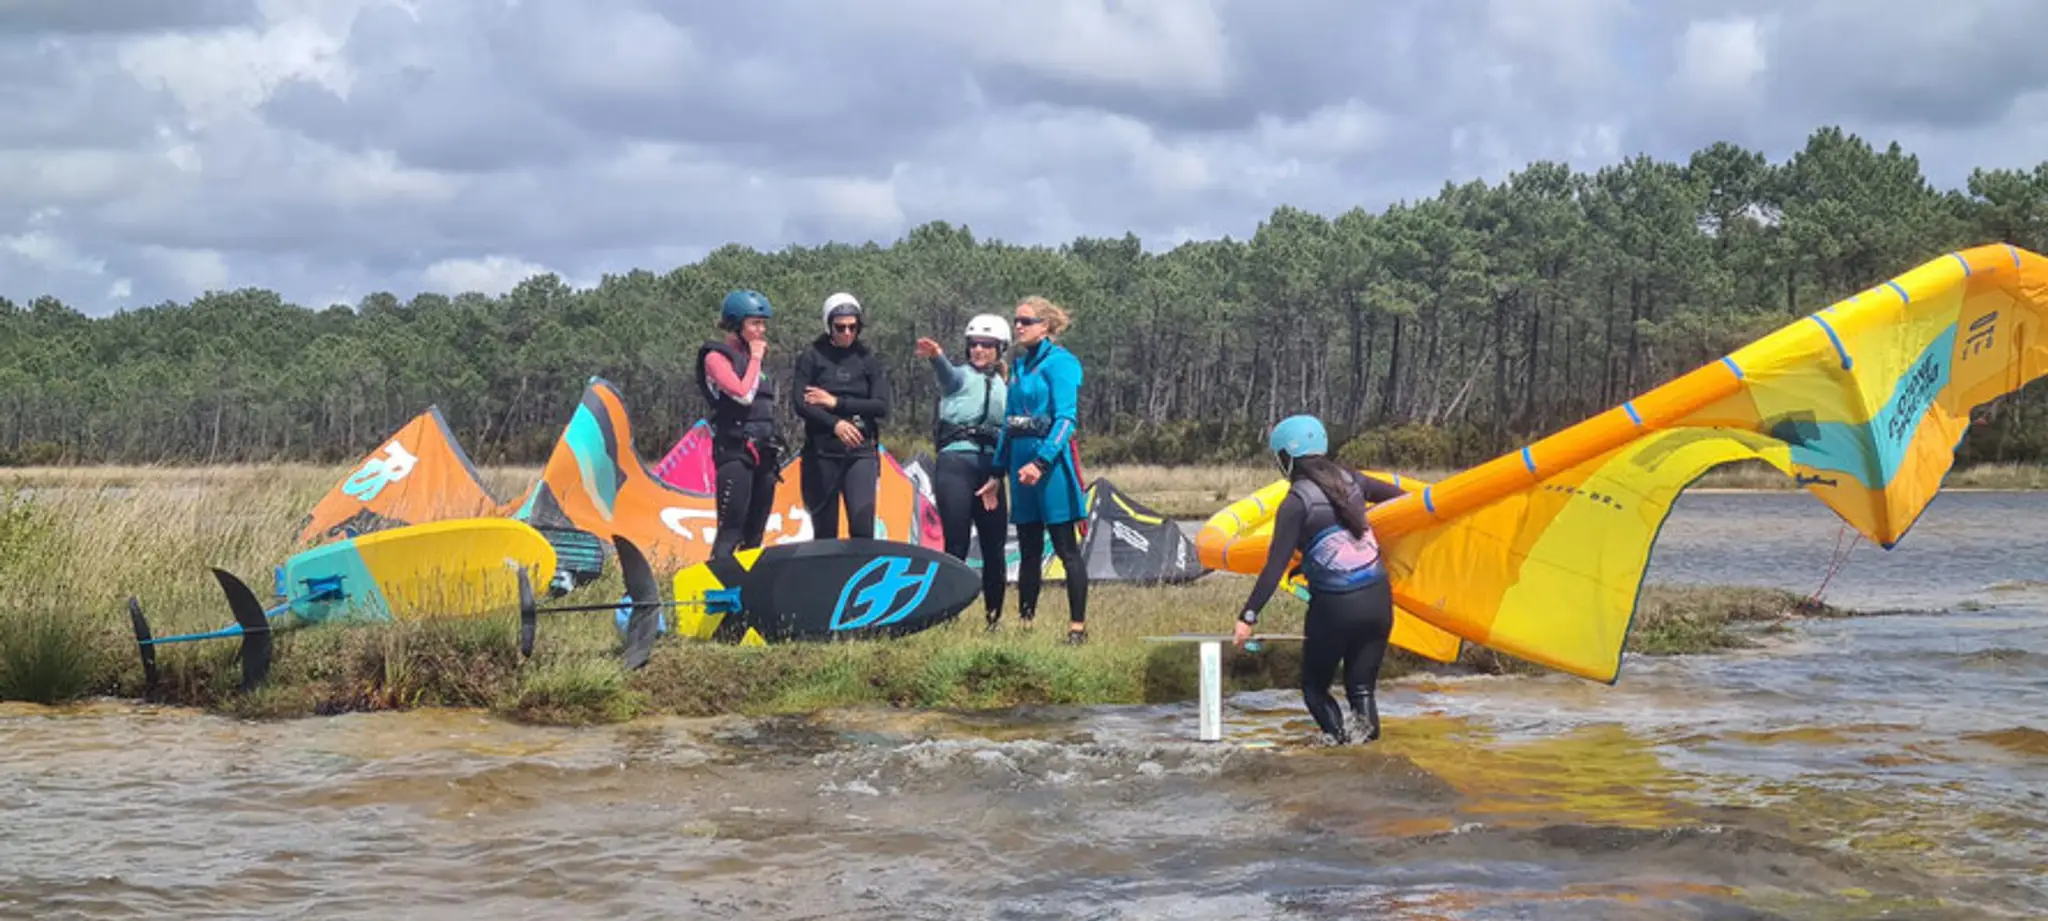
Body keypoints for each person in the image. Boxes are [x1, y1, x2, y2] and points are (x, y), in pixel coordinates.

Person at [1231, 414, 1409, 745]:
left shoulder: (1296, 502)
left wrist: (1248, 616)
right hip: (1378, 602)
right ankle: (1367, 760)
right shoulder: (1354, 481)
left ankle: (1340, 753)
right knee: (1361, 690)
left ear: (1286, 457)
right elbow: (1404, 500)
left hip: (1335, 609)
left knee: (1315, 689)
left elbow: (1275, 567)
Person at [982, 295, 1088, 644]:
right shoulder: (1020, 366)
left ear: (1045, 326)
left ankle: (1077, 629)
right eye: (1016, 321)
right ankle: (1026, 622)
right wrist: (997, 474)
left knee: (1064, 549)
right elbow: (1009, 426)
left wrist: (1042, 461)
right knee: (1028, 550)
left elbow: (1066, 420)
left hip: (1051, 469)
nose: (1018, 327)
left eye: (1025, 321)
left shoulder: (1061, 364)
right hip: (1019, 467)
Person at [913, 313, 1011, 627]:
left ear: (1000, 349)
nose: (979, 350)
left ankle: (993, 618)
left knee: (994, 547)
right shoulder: (958, 377)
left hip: (991, 472)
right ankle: (947, 616)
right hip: (956, 466)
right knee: (955, 543)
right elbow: (946, 375)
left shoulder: (1005, 385)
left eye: (987, 345)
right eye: (974, 344)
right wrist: (937, 356)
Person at [791, 291, 890, 539]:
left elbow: (880, 406)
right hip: (822, 452)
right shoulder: (812, 357)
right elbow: (801, 404)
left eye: (853, 327)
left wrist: (835, 402)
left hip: (860, 452)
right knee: (825, 531)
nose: (847, 333)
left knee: (862, 526)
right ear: (829, 326)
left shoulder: (867, 358)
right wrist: (835, 424)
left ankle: (862, 576)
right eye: (840, 327)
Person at [694, 289, 783, 562]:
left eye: (763, 323)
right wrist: (756, 357)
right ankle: (714, 588)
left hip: (764, 453)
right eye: (755, 323)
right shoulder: (715, 358)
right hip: (735, 451)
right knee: (731, 531)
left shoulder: (752, 360)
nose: (761, 330)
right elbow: (743, 394)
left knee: (754, 534)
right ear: (736, 325)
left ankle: (749, 596)